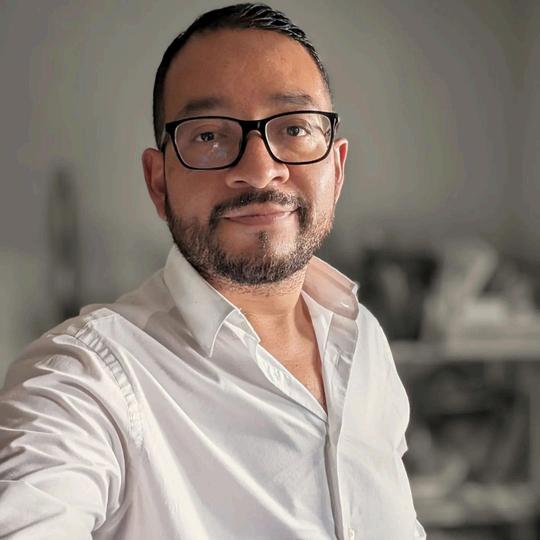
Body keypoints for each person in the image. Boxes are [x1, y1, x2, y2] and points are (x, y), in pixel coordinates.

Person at [0, 3, 426, 539]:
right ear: (159, 183)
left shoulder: (361, 339)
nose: (260, 170)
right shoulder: (88, 379)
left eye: (294, 127)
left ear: (336, 169)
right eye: (208, 136)